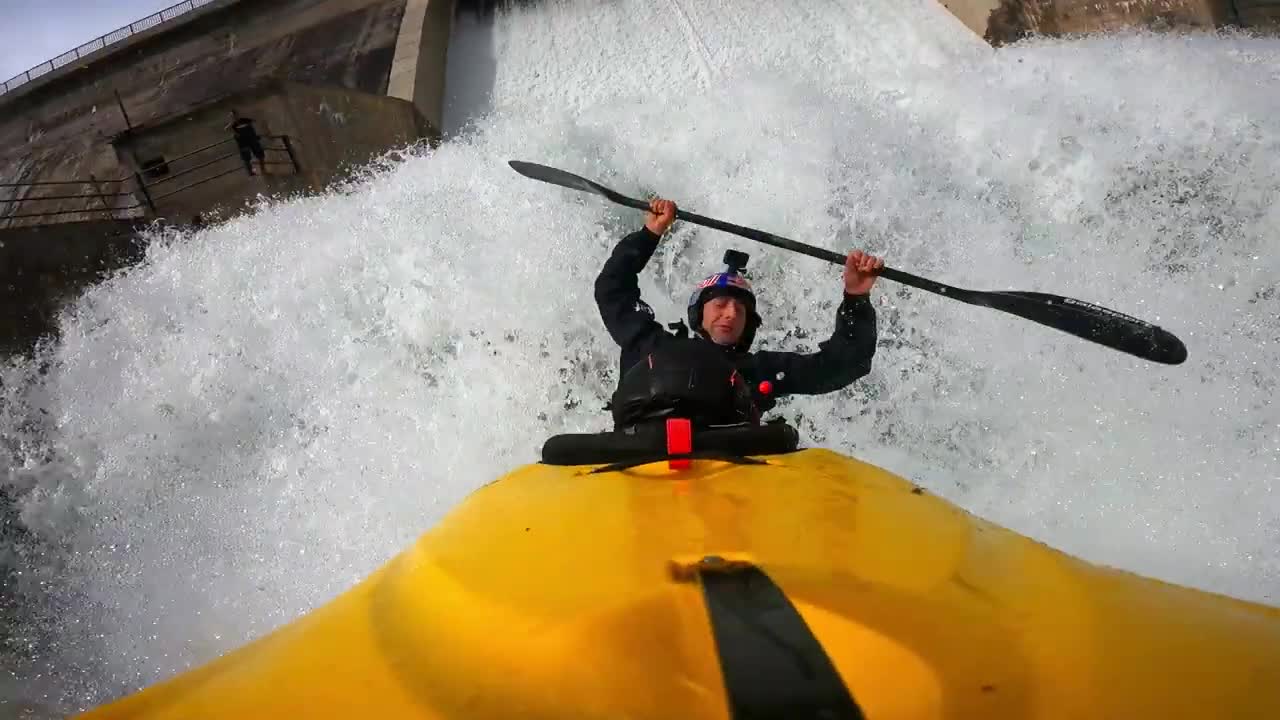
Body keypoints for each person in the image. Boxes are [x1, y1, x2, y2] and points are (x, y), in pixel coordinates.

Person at [595, 197, 882, 429]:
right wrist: (649, 234)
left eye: (740, 310)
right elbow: (612, 289)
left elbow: (844, 364)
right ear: (699, 314)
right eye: (720, 304)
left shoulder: (758, 371)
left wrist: (856, 298)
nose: (731, 314)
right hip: (642, 460)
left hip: (728, 473)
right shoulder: (651, 346)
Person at [226, 111, 266, 176]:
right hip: (243, 143)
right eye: (233, 116)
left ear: (238, 115)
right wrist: (234, 132)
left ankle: (263, 170)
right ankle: (251, 173)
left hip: (252, 140)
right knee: (246, 159)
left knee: (260, 155)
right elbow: (227, 129)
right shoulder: (233, 125)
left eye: (236, 115)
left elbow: (255, 120)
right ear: (231, 117)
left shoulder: (245, 120)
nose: (235, 117)